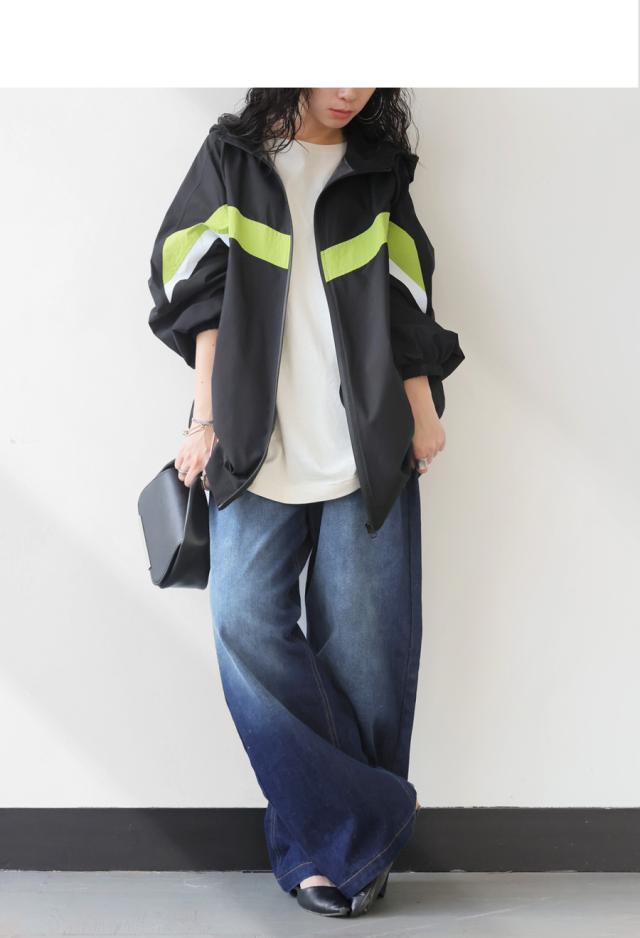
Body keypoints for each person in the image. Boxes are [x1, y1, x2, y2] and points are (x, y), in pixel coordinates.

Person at [147, 87, 465, 919]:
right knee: (244, 626)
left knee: (367, 658)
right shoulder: (232, 159)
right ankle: (368, 828)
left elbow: (406, 296)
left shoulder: (379, 171)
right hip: (254, 441)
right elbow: (195, 287)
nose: (350, 84)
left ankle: (333, 857)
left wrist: (423, 407)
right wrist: (205, 416)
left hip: (366, 446)